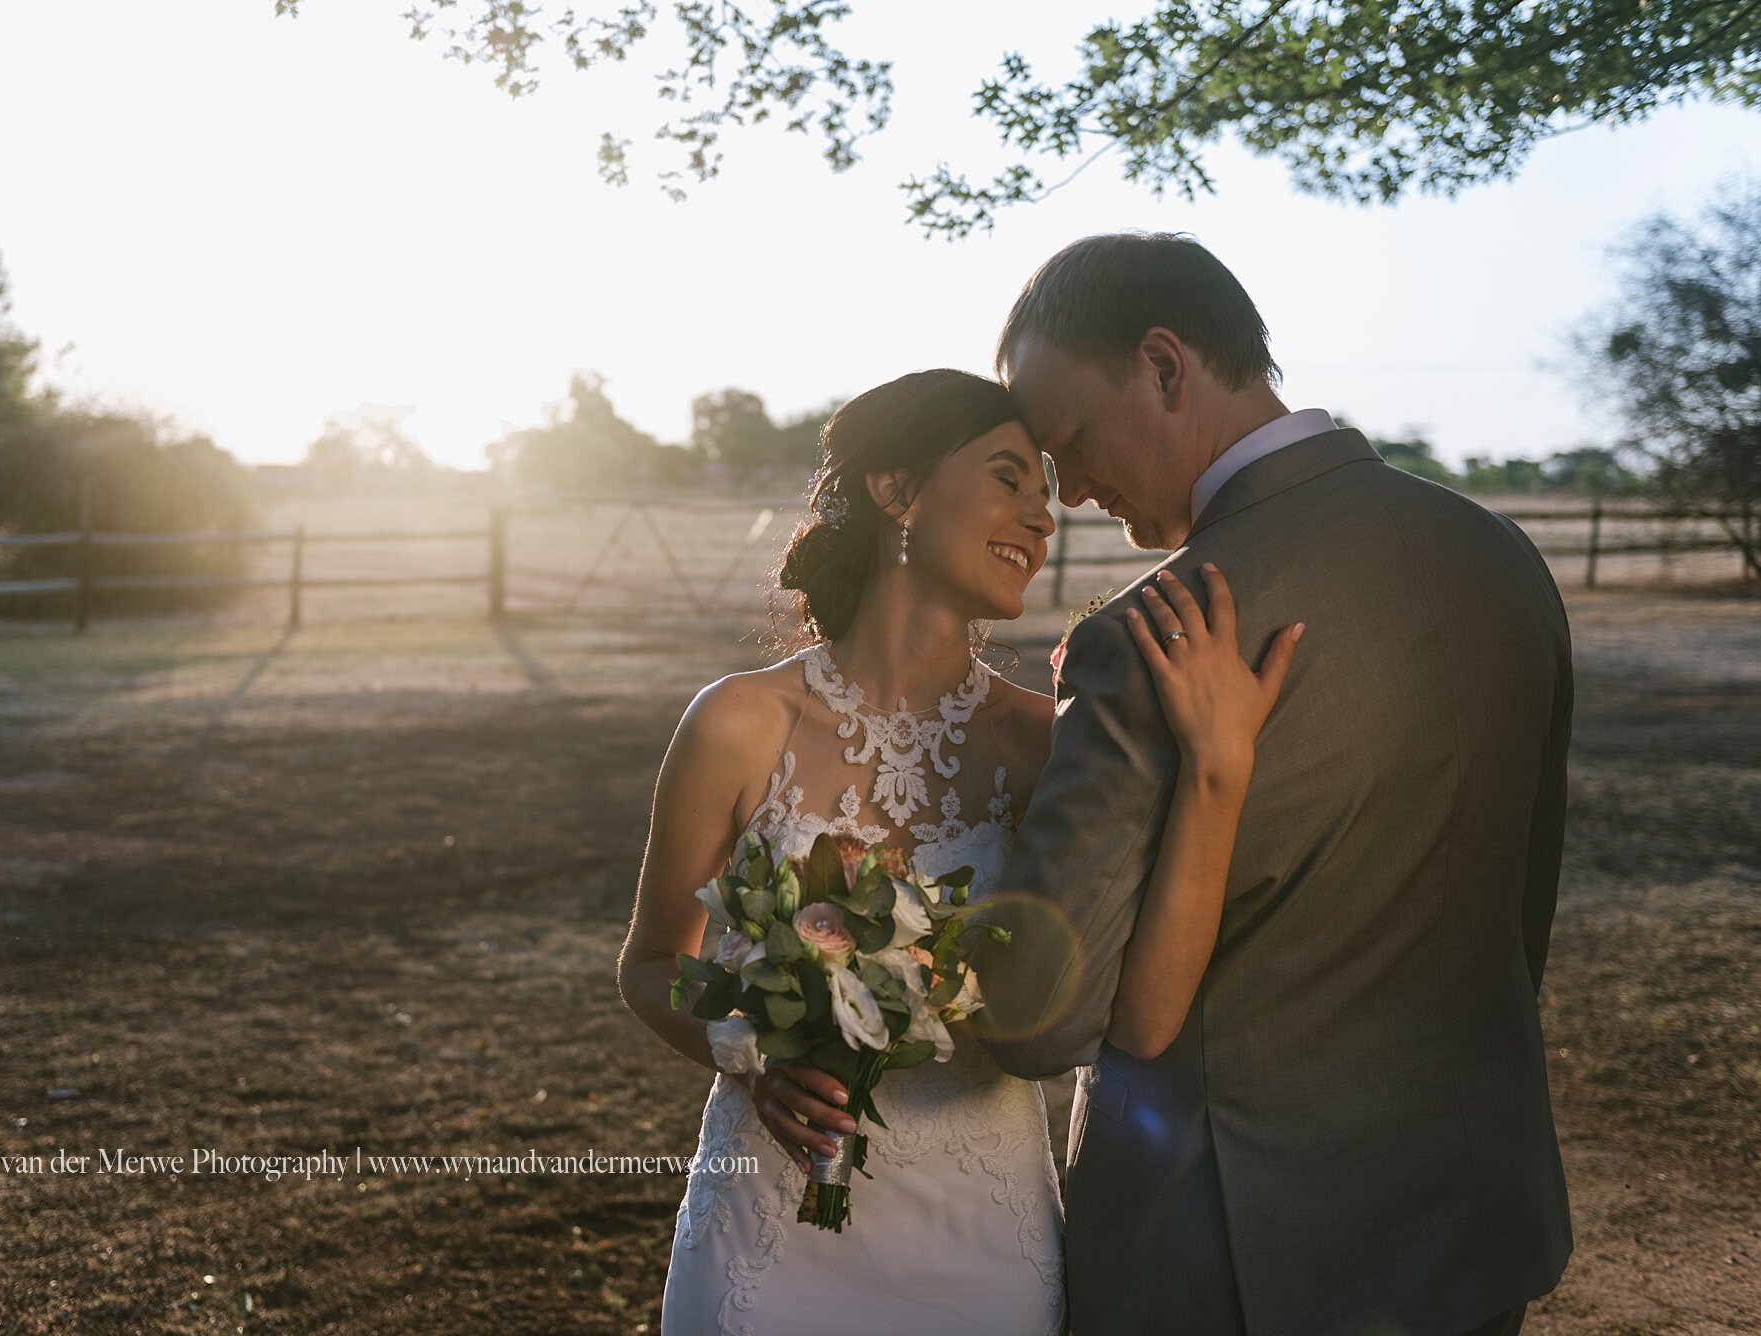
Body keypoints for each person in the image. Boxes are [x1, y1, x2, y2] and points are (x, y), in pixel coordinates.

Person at [971, 231, 1574, 1336]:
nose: (1066, 488)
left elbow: (1030, 1016)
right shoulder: (1500, 556)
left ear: (1163, 366)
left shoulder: (1157, 632)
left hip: (1225, 1258)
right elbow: (1517, 902)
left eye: (1065, 440)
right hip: (1474, 1216)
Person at [617, 367, 1299, 1335]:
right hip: (763, 1238)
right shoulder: (736, 720)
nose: (1042, 515)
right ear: (896, 491)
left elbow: (1142, 1007)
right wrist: (748, 1048)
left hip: (979, 1242)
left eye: (1046, 491)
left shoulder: (1045, 743)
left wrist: (1214, 771)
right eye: (1008, 478)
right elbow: (650, 965)